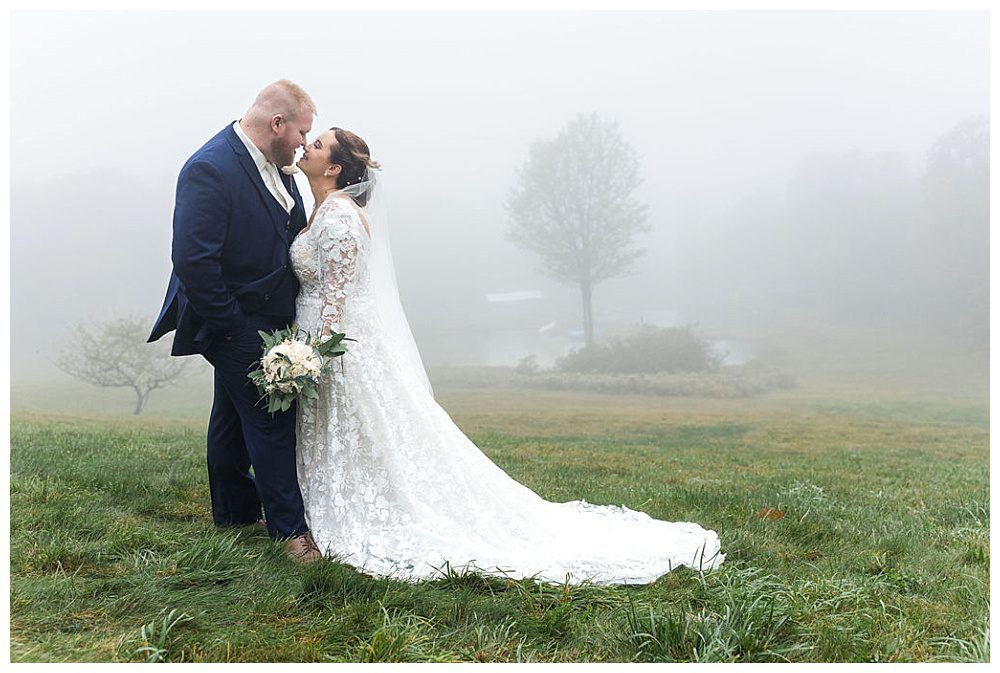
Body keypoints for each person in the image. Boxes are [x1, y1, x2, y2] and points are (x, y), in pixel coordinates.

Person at [290, 127, 726, 584]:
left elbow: (336, 296)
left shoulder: (339, 216)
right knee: (358, 432)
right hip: (325, 339)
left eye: (317, 145)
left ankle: (362, 510)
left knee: (368, 429)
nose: (308, 147)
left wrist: (313, 353)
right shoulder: (324, 211)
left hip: (335, 343)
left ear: (335, 168)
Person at [149, 81, 322, 562]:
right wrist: (233, 330)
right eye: (302, 132)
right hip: (230, 318)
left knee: (230, 416)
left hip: (267, 319)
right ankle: (291, 534)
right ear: (277, 124)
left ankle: (233, 512)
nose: (305, 143)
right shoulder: (210, 167)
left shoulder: (281, 167)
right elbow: (193, 261)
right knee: (270, 418)